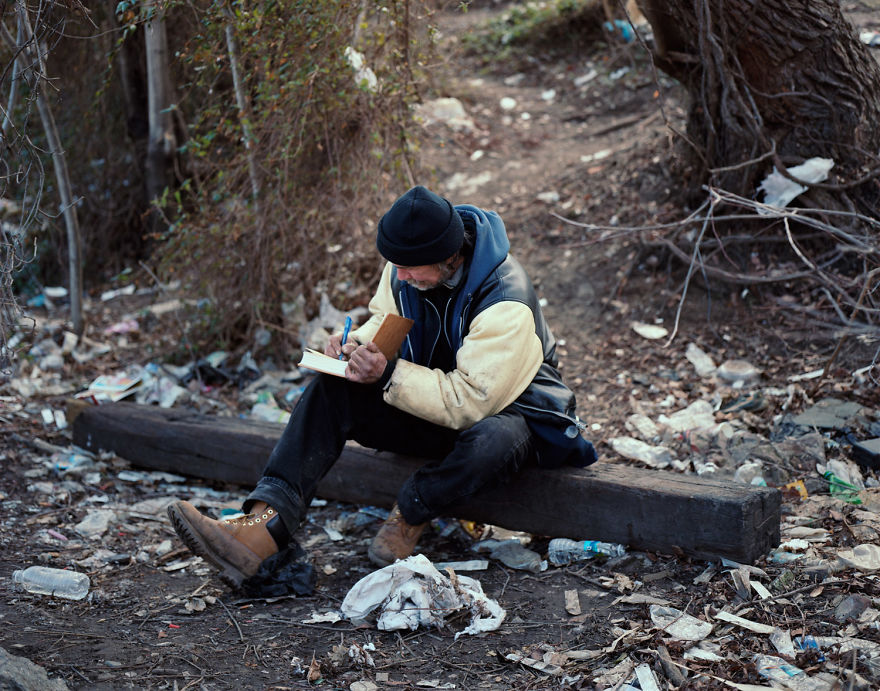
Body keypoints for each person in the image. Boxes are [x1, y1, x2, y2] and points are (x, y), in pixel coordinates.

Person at [168, 185, 597, 588]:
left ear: (449, 256)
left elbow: (471, 402)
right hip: (434, 408)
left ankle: (410, 512)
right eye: (398, 267)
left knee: (496, 435)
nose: (401, 275)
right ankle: (260, 528)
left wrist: (388, 374)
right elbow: (385, 322)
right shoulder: (405, 267)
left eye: (410, 268)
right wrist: (356, 346)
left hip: (516, 423)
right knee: (331, 391)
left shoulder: (505, 301)